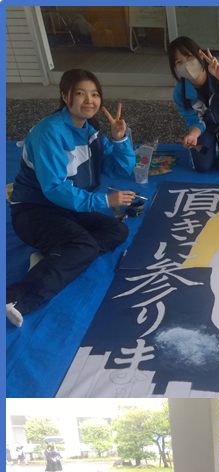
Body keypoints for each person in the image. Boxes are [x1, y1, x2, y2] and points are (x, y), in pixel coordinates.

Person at [6, 69, 136, 327]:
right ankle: (16, 298)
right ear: (65, 96)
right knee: (83, 246)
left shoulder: (91, 132)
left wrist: (119, 140)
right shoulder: (48, 132)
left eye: (95, 95)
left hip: (70, 208)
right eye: (80, 93)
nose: (89, 100)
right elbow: (54, 189)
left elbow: (120, 169)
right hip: (34, 211)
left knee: (117, 231)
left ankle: (55, 258)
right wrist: (104, 201)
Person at [168, 36, 219, 174]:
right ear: (175, 68)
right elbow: (193, 120)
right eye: (179, 62)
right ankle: (211, 144)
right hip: (205, 128)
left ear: (200, 54)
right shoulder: (180, 92)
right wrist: (193, 135)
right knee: (202, 167)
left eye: (189, 56)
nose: (186, 64)